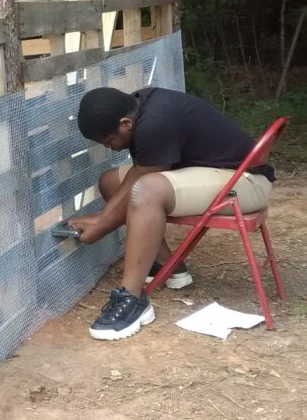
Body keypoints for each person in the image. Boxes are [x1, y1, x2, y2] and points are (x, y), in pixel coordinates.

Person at [70, 87, 274, 341]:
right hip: (217, 170)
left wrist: (99, 226)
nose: (111, 149)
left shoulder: (156, 123)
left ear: (126, 123)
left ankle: (132, 298)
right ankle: (169, 266)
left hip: (248, 182)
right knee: (111, 181)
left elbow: (143, 179)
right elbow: (137, 174)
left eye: (109, 141)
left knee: (147, 190)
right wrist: (101, 218)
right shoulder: (141, 107)